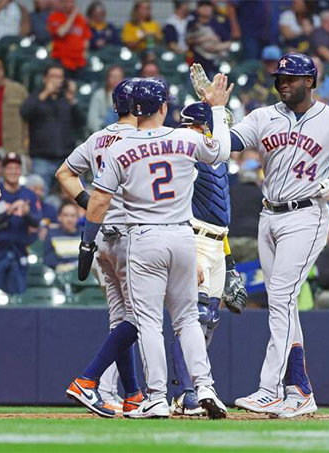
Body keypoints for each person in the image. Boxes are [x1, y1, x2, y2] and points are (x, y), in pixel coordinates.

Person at [73, 75, 233, 419]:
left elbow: (99, 201)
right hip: (182, 235)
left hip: (144, 237)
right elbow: (221, 149)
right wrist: (217, 109)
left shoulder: (118, 147)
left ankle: (157, 397)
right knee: (188, 319)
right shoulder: (185, 138)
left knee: (147, 322)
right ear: (164, 107)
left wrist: (88, 241)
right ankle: (205, 386)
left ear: (133, 108)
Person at [228, 53, 329, 417]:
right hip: (269, 215)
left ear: (310, 81)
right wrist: (216, 111)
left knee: (279, 298)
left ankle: (270, 389)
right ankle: (300, 391)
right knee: (286, 305)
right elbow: (228, 143)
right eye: (279, 77)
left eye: (290, 77)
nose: (283, 82)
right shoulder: (264, 116)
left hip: (306, 215)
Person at [56, 78, 144, 418]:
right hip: (131, 235)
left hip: (102, 235)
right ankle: (88, 380)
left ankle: (133, 393)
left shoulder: (99, 137)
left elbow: (64, 173)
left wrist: (89, 204)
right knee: (139, 319)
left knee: (120, 320)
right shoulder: (141, 137)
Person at [170, 101, 247, 416]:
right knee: (194, 318)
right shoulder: (186, 154)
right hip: (195, 238)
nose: (223, 128)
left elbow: (221, 215)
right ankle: (184, 393)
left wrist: (229, 265)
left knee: (210, 320)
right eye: (217, 122)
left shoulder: (220, 158)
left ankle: (195, 388)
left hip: (218, 242)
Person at [20, 64, 86, 193]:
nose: (56, 80)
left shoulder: (67, 99)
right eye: (53, 76)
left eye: (59, 77)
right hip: (41, 158)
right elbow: (24, 112)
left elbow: (81, 122)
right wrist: (45, 93)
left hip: (66, 159)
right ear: (45, 79)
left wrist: (72, 99)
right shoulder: (37, 96)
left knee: (71, 196)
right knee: (39, 194)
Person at [0, 153, 39, 295]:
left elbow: (37, 222)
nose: (13, 171)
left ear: (21, 171)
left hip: (19, 251)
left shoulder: (29, 195)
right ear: (3, 170)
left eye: (16, 168)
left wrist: (26, 213)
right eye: (9, 168)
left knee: (18, 301)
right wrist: (9, 212)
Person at [186, 0, 231, 78]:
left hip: (217, 62)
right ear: (197, 9)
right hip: (196, 63)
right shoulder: (192, 23)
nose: (206, 8)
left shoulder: (218, 23)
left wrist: (216, 47)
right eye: (203, 6)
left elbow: (229, 42)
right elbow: (188, 40)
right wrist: (204, 39)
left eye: (208, 6)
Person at [48, 0, 91, 79]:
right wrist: (73, 16)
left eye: (72, 2)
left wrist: (84, 53)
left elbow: (86, 40)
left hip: (79, 62)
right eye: (67, 2)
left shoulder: (81, 19)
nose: (70, 5)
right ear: (62, 3)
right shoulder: (55, 16)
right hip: (61, 61)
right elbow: (61, 32)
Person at [43, 202, 81, 270]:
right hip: (60, 275)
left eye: (73, 215)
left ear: (77, 218)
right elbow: (48, 258)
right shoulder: (52, 235)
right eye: (65, 215)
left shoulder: (85, 235)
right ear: (59, 217)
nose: (69, 219)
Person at [87, 66, 125, 133]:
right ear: (107, 78)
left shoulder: (128, 96)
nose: (116, 79)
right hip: (103, 132)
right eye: (113, 76)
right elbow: (92, 119)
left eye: (118, 77)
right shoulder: (99, 95)